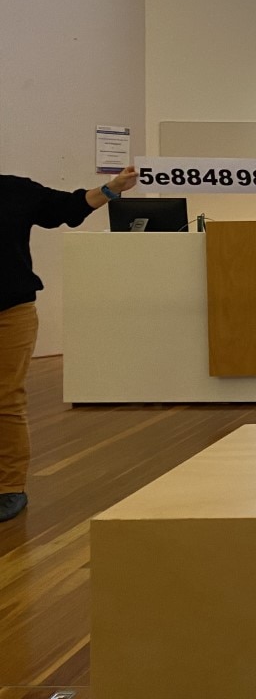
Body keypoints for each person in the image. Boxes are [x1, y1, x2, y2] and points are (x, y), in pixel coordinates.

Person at [1, 165, 139, 521]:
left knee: (6, 399)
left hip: (10, 311)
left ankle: (8, 487)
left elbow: (67, 207)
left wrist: (112, 187)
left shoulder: (15, 190)